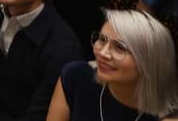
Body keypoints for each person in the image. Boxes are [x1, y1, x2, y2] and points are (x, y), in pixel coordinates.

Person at [47, 9, 178, 120]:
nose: (103, 53)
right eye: (102, 39)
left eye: (120, 47)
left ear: (149, 61)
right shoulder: (75, 76)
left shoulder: (168, 116)